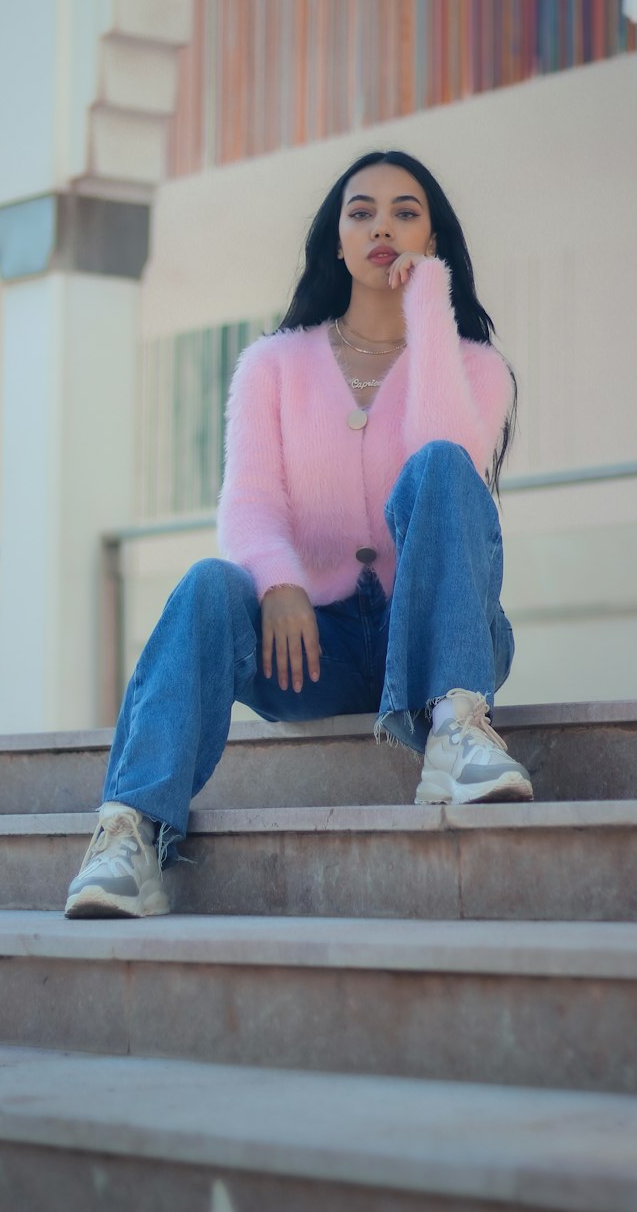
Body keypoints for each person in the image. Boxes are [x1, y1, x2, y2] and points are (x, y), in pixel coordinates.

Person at [65, 149, 533, 920]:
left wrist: (427, 310)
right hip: (309, 649)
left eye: (405, 211)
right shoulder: (272, 366)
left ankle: (456, 727)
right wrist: (278, 582)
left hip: (437, 640)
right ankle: (130, 835)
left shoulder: (475, 369)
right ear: (337, 242)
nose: (382, 225)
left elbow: (445, 470)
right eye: (362, 212)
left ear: (433, 240)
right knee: (210, 585)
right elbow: (248, 501)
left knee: (448, 465)